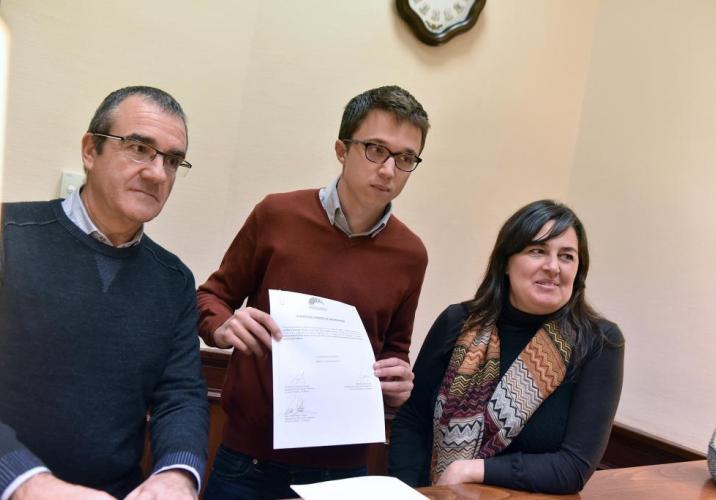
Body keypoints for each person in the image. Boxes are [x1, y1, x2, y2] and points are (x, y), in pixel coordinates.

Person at [197, 85, 430, 499]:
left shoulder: (410, 254)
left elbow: (393, 351)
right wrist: (224, 326)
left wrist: (398, 383)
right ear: (342, 149)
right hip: (248, 461)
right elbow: (211, 298)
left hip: (344, 470)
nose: (388, 169)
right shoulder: (276, 215)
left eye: (405, 158)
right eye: (375, 149)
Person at [0, 86, 209, 500]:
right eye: (139, 148)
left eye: (172, 160)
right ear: (90, 151)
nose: (157, 173)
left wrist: (177, 474)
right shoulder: (9, 236)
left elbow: (180, 395)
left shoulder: (174, 280)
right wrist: (27, 483)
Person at [389, 199, 624, 494]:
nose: (553, 267)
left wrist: (472, 469)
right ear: (506, 263)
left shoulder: (598, 342)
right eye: (537, 251)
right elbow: (413, 420)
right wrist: (409, 493)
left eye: (566, 256)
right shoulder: (457, 322)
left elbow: (573, 467)